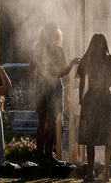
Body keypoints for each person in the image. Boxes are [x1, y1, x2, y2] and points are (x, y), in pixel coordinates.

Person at [30, 18, 80, 164]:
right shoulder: (58, 49)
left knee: (41, 122)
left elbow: (31, 69)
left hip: (40, 84)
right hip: (53, 86)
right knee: (52, 122)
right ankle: (48, 155)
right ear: (56, 33)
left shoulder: (37, 48)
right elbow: (65, 71)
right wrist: (73, 62)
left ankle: (39, 156)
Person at [76, 33, 111, 182]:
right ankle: (106, 173)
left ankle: (90, 173)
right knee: (108, 137)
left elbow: (82, 82)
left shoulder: (87, 59)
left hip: (91, 97)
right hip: (106, 99)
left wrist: (81, 99)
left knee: (90, 137)